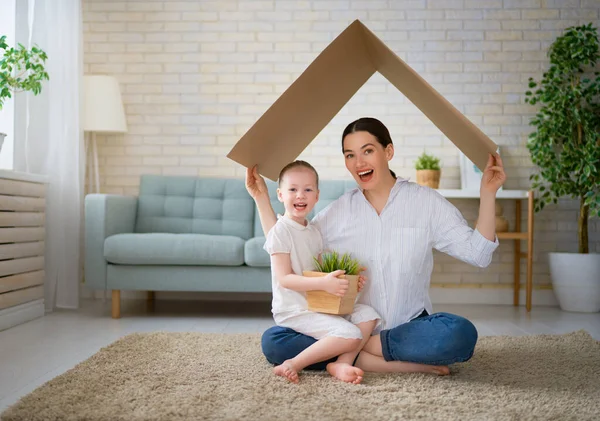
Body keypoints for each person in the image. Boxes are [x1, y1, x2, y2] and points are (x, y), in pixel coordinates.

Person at [247, 117, 506, 375]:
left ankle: (363, 350)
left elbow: (478, 254)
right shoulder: (340, 210)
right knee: (274, 342)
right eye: (350, 155)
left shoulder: (426, 202)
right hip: (351, 324)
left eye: (367, 151)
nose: (358, 163)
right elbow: (286, 240)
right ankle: (373, 357)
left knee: (459, 334)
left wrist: (488, 193)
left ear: (388, 151)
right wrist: (261, 198)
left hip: (407, 329)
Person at [265, 160, 419, 385]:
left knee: (368, 314)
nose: (300, 195)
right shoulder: (280, 231)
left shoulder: (313, 232)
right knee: (351, 333)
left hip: (315, 303)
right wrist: (324, 284)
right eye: (293, 189)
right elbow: (284, 279)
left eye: (308, 190)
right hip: (293, 309)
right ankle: (293, 363)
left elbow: (318, 273)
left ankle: (342, 363)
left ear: (317, 196)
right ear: (280, 194)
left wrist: (346, 282)